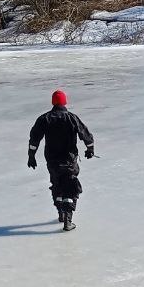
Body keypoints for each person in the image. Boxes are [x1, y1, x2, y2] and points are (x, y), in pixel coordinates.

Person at [28, 90, 95, 232]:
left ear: (53, 102)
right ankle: (67, 221)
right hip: (69, 161)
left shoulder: (44, 119)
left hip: (52, 161)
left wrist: (31, 156)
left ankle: (60, 213)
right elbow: (85, 134)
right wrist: (90, 149)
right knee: (70, 187)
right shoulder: (72, 118)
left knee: (57, 184)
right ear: (65, 102)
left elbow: (34, 139)